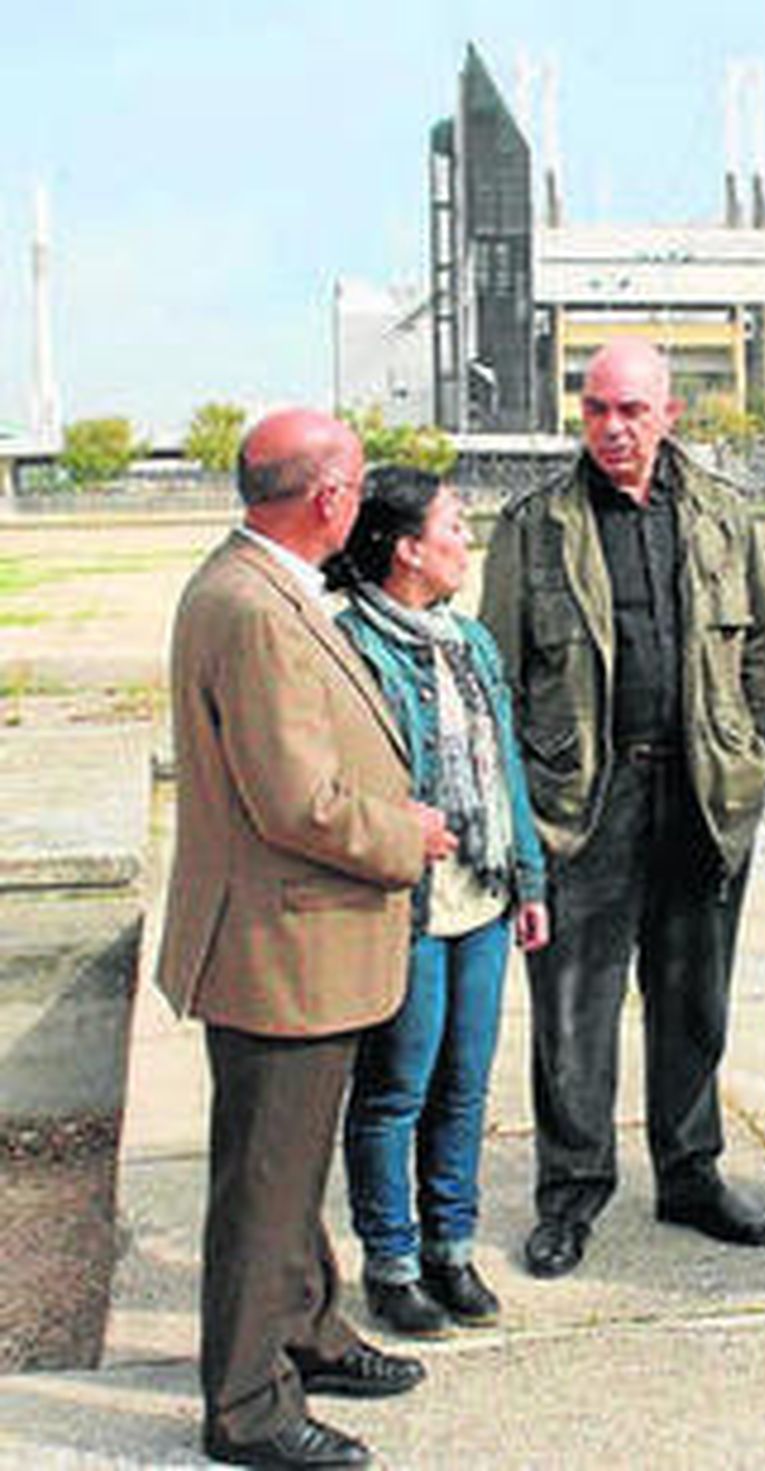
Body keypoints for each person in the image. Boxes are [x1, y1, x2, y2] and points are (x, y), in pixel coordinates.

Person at [155, 410, 458, 1470]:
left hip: (296, 943)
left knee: (291, 1167)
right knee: (265, 1182)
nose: (363, 496)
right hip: (276, 945)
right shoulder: (253, 606)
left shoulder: (267, 584)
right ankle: (246, 1404)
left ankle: (309, 1332)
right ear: (328, 496)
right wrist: (408, 835)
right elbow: (297, 804)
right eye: (358, 480)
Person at [480, 338, 765, 1279]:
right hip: (584, 801)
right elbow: (497, 673)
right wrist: (523, 803)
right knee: (575, 1008)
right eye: (598, 409)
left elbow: (763, 650)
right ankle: (571, 1193)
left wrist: (754, 755)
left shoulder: (724, 518)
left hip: (699, 793)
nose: (614, 428)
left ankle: (691, 1172)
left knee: (694, 998)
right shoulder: (537, 525)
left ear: (668, 416)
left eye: (633, 411)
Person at [325, 467, 550, 1338]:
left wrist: (528, 879)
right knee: (394, 1089)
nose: (468, 540)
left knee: (465, 1083)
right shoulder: (349, 645)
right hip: (406, 902)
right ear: (409, 548)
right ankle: (390, 1259)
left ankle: (450, 1248)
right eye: (454, 526)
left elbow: (506, 769)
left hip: (483, 897)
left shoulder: (472, 640)